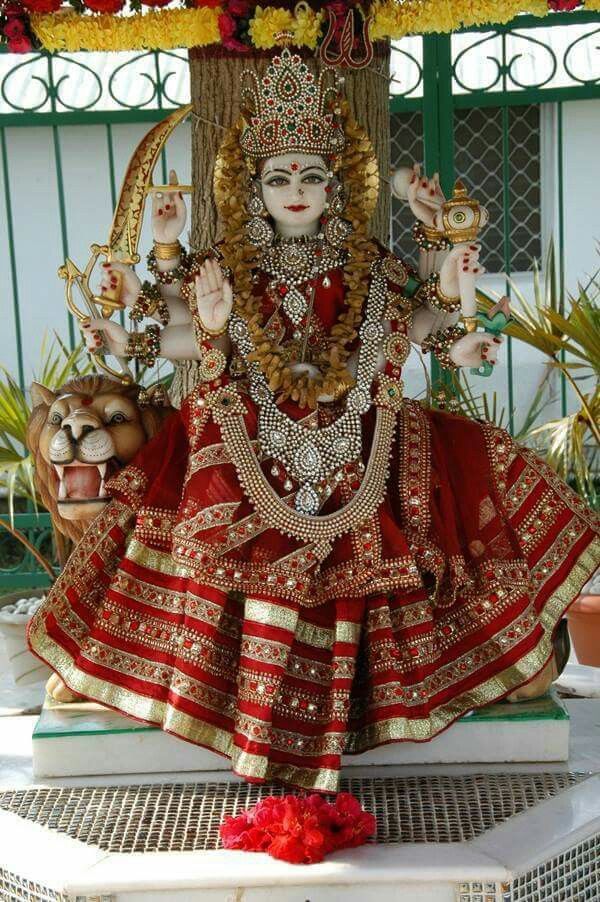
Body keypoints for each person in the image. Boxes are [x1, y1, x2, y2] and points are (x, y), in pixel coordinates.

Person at [29, 50, 599, 792]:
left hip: (360, 428)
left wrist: (454, 317)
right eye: (278, 178)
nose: (295, 191)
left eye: (310, 176)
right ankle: (132, 678)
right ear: (253, 186)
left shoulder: (367, 261)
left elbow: (419, 325)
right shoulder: (228, 262)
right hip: (248, 430)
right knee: (185, 517)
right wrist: (169, 292)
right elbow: (183, 335)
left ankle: (497, 665)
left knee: (472, 461)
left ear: (335, 184)